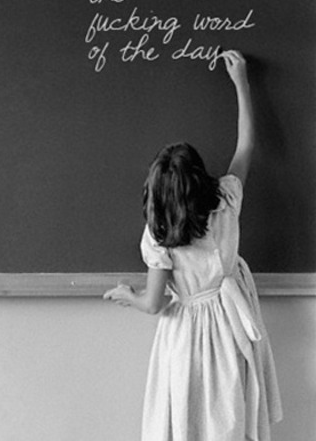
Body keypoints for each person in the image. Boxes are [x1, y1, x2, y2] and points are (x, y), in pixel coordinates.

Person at [103, 50, 283, 441]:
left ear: (157, 192)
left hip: (187, 336)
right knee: (228, 416)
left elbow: (153, 304)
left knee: (189, 419)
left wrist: (127, 295)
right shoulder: (225, 200)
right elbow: (246, 146)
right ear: (200, 177)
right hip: (231, 324)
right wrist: (241, 83)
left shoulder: (159, 232)